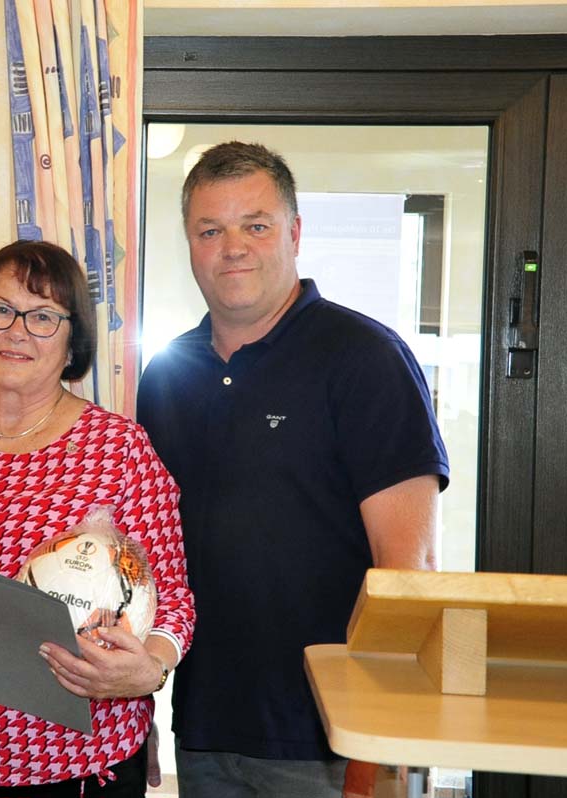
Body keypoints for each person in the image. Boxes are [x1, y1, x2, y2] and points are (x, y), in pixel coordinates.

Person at [136, 141, 450, 798]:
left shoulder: (364, 358)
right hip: (207, 728)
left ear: (295, 233)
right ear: (190, 243)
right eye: (210, 230)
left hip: (333, 742)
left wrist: (375, 747)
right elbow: (151, 566)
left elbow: (408, 573)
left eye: (256, 225)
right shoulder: (166, 378)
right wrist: (142, 722)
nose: (233, 248)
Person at [0, 240, 195, 796]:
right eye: (0, 309)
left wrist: (150, 670)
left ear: (74, 341)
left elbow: (173, 602)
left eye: (43, 316)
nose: (16, 331)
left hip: (81, 768)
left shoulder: (119, 450)